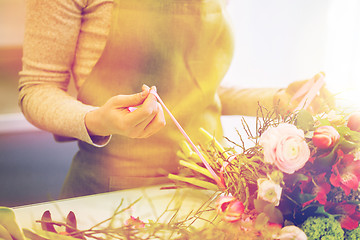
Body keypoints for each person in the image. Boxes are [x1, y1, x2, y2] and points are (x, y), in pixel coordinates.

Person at [18, 0, 332, 199]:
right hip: (111, 195)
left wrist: (279, 100)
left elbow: (200, 91)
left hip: (209, 189)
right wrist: (99, 121)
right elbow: (37, 88)